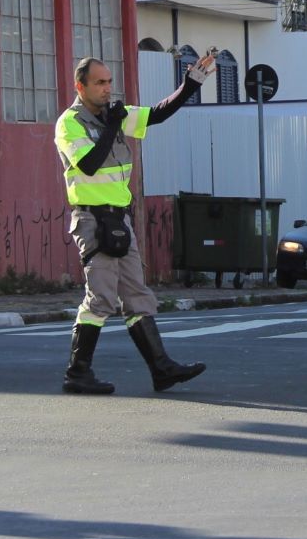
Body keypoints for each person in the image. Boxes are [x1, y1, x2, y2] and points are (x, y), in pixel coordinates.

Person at [56, 54, 215, 395]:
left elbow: (156, 114)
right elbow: (88, 165)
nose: (107, 88)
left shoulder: (114, 115)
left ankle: (161, 369)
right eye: (99, 82)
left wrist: (191, 85)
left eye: (109, 81)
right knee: (100, 297)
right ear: (79, 86)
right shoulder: (70, 122)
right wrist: (112, 126)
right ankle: (77, 373)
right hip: (90, 219)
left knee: (136, 294)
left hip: (119, 218)